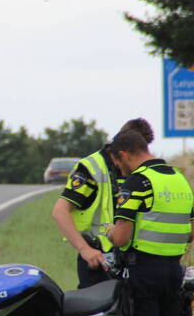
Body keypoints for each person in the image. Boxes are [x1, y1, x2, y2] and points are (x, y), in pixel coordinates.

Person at [105, 124, 194, 316]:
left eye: (117, 164)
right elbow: (191, 234)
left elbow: (121, 238)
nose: (118, 170)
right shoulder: (179, 180)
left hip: (142, 271)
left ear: (123, 155)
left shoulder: (137, 183)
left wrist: (109, 231)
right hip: (173, 271)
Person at [51, 118, 156, 288]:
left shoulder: (143, 169)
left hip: (137, 261)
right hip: (100, 261)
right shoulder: (92, 168)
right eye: (136, 153)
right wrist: (84, 249)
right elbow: (60, 212)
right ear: (125, 150)